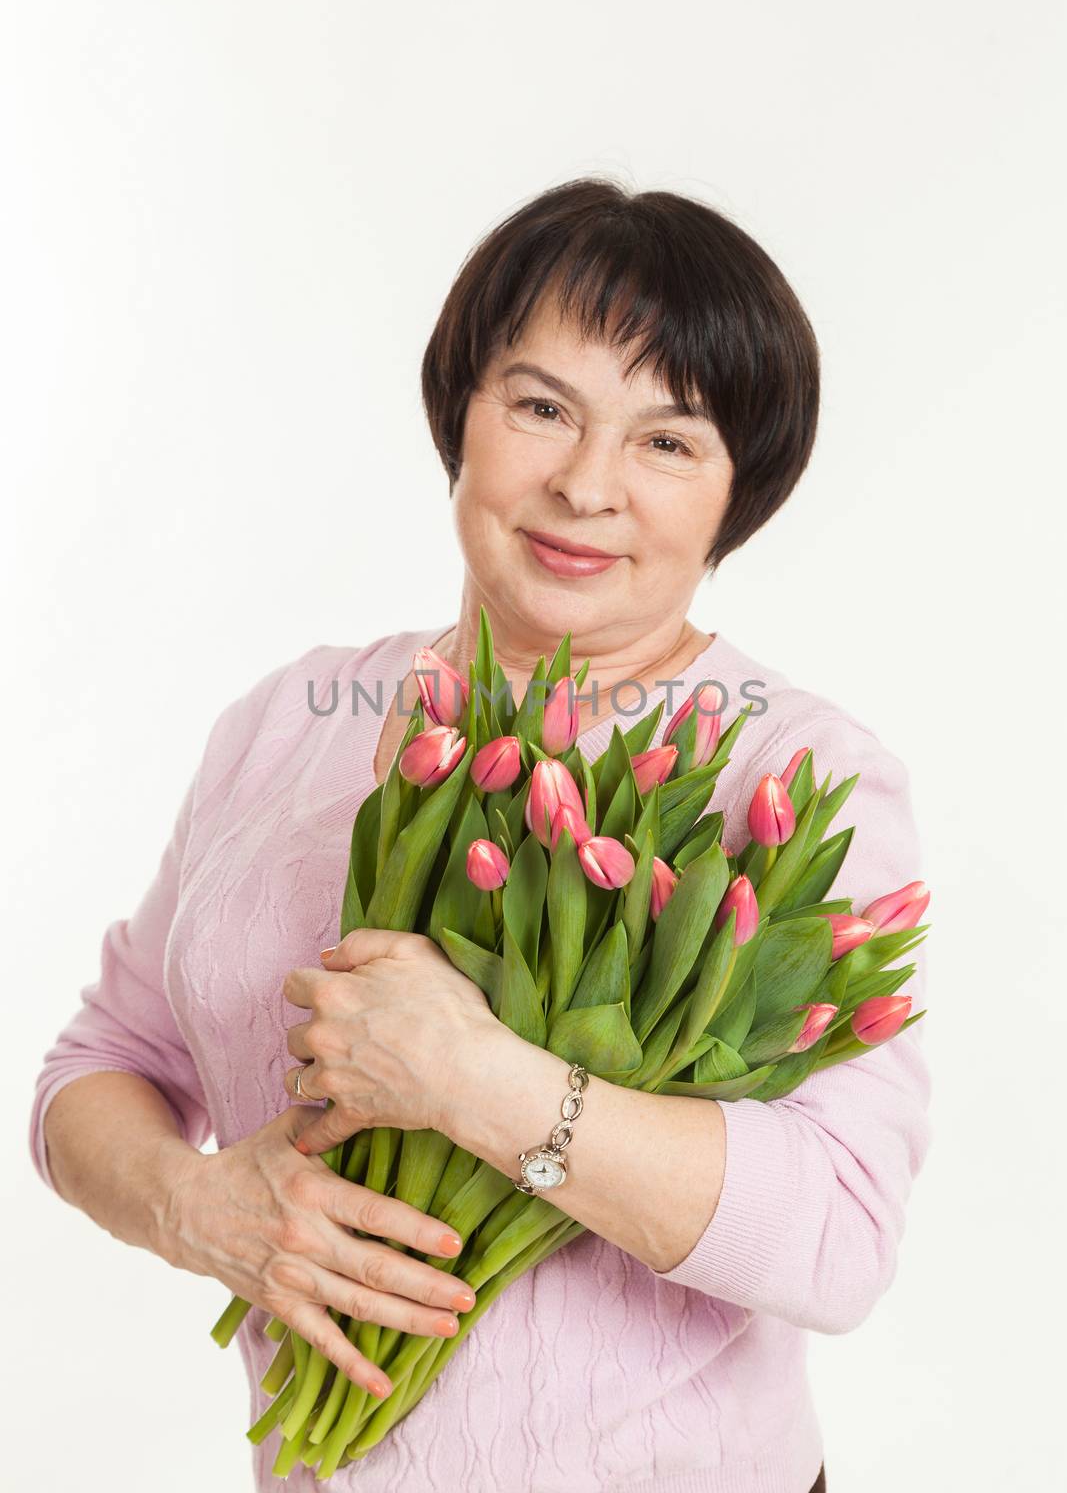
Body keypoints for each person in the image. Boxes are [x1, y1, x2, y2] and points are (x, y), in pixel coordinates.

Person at [29, 177, 930, 1493]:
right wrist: (198, 1204)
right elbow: (100, 1068)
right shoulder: (292, 718)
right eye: (542, 406)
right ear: (463, 410)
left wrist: (481, 1085)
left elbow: (842, 1239)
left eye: (667, 441)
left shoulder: (790, 771)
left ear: (739, 495)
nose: (584, 484)